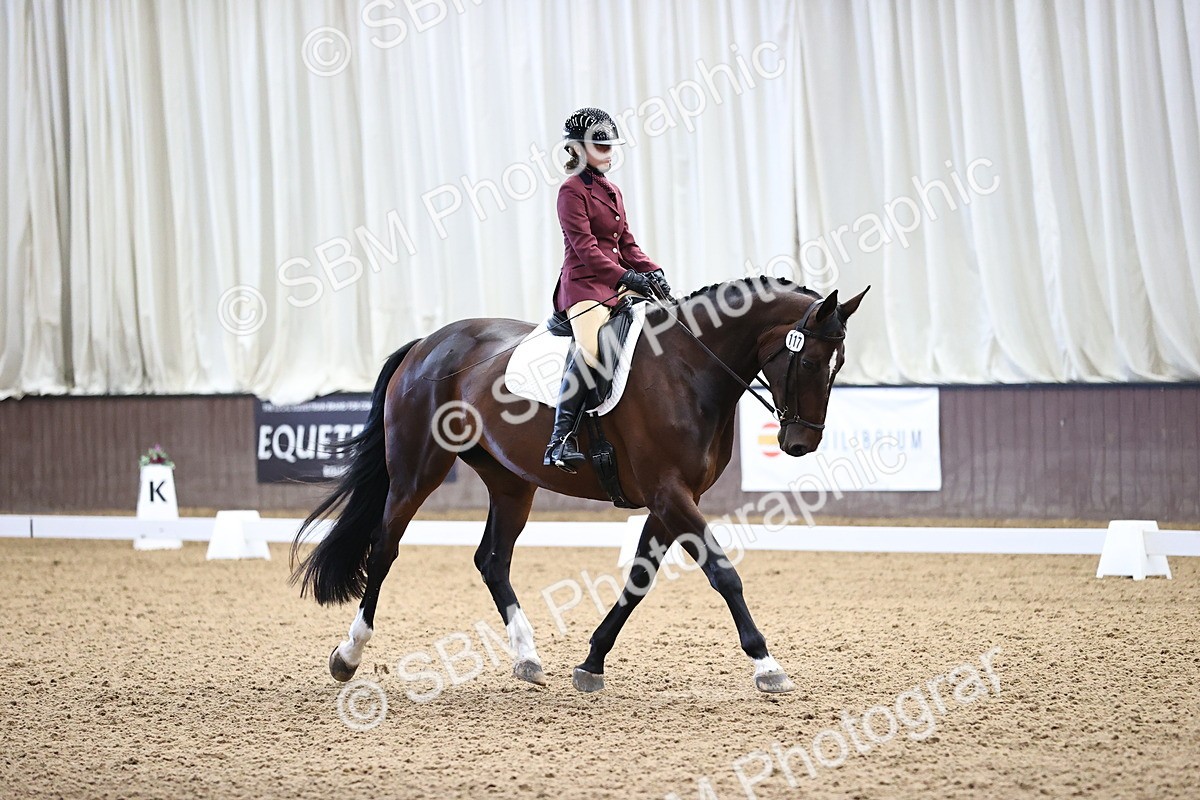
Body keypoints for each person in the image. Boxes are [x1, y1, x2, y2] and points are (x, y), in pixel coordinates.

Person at [545, 107, 672, 473]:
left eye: (610, 147)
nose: (609, 153)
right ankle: (559, 439)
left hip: (616, 284)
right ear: (579, 149)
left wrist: (654, 271)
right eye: (600, 147)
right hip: (584, 286)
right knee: (590, 348)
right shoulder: (570, 192)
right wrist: (627, 278)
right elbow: (585, 248)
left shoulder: (612, 190)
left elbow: (627, 244)